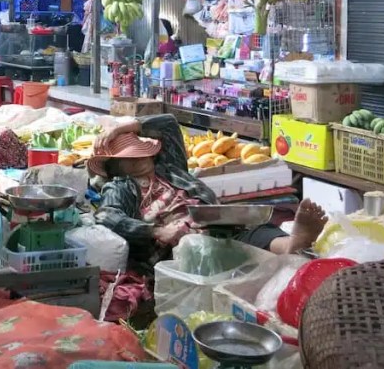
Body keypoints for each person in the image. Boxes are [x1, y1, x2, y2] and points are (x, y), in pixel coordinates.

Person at [90, 115, 328, 273]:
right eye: (128, 158)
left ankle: (291, 245)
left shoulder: (170, 167)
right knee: (212, 248)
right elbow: (106, 216)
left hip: (213, 224)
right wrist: (157, 230)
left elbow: (168, 124)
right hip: (177, 246)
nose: (137, 160)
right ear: (115, 166)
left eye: (140, 152)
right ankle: (282, 252)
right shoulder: (120, 186)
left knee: (250, 231)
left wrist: (124, 127)